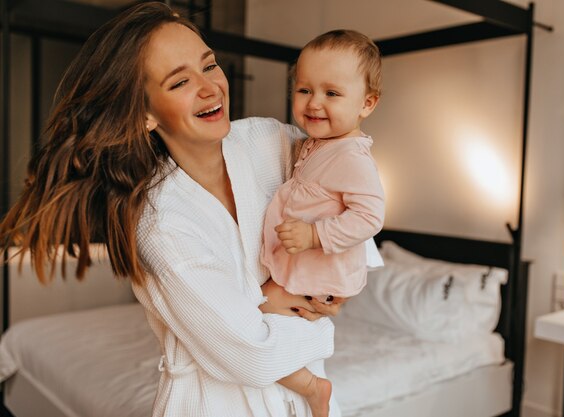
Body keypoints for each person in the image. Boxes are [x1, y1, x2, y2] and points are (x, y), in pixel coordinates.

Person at [0, 3, 344, 416]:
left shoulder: (269, 142)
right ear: (145, 113)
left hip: (306, 399)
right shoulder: (160, 223)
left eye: (210, 65)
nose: (210, 87)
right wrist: (314, 325)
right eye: (180, 81)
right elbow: (253, 356)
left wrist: (333, 284)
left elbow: (346, 186)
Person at [259, 30, 385, 417]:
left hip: (318, 270)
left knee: (254, 317)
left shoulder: (352, 157)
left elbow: (369, 217)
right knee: (263, 318)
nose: (314, 103)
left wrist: (314, 233)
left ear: (367, 103)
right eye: (303, 90)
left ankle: (313, 389)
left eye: (332, 93)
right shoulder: (316, 143)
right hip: (304, 267)